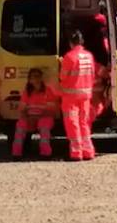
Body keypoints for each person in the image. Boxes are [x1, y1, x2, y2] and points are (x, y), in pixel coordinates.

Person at [58, 29, 97, 161]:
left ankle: (76, 152)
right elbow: (92, 74)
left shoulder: (69, 57)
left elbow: (62, 77)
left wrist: (61, 63)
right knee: (84, 123)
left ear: (70, 43)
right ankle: (88, 151)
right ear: (82, 42)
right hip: (86, 94)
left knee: (72, 123)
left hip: (71, 95)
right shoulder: (89, 56)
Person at [11, 67, 59, 159]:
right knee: (20, 126)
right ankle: (16, 154)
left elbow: (51, 110)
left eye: (37, 76)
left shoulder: (48, 90)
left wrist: (37, 117)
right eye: (33, 77)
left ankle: (45, 153)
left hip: (44, 117)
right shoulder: (27, 92)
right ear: (29, 80)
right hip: (30, 118)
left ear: (41, 78)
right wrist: (28, 117)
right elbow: (22, 109)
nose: (35, 79)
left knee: (44, 126)